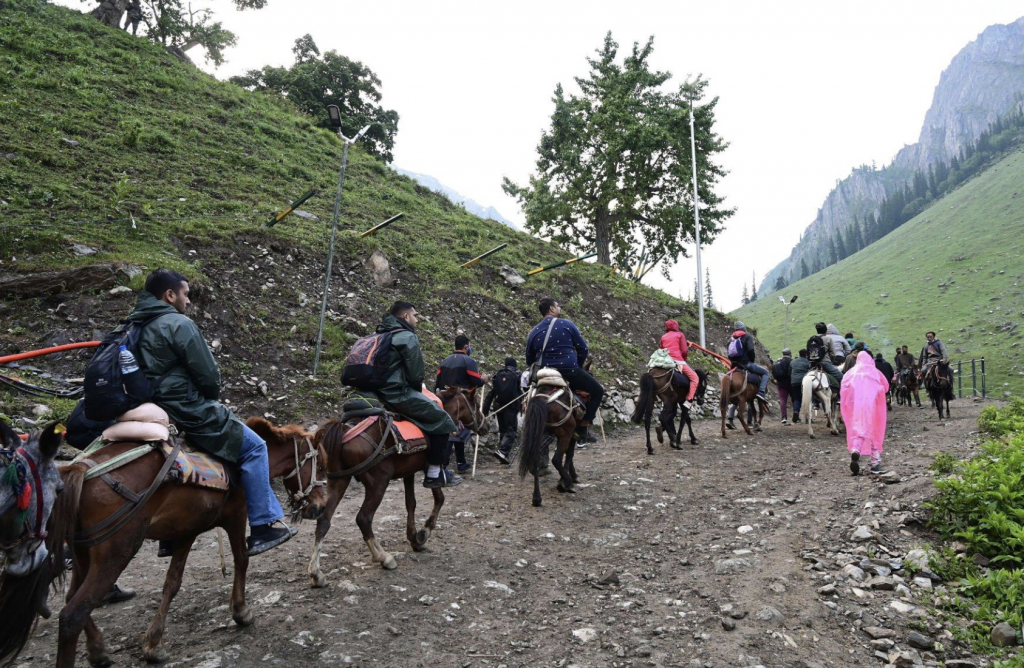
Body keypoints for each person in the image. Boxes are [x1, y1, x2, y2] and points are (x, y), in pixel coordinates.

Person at [130, 269, 295, 556]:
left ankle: (171, 534)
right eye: (186, 294)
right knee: (255, 447)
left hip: (150, 409)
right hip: (185, 408)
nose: (189, 301)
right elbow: (208, 376)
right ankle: (264, 525)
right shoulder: (177, 324)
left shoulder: (133, 325)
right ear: (170, 295)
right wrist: (207, 398)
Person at [374, 301, 460, 488]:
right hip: (395, 394)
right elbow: (415, 376)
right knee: (443, 420)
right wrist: (414, 386)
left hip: (372, 393)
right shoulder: (407, 336)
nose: (417, 320)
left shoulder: (378, 334)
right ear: (405, 316)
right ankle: (434, 474)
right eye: (416, 316)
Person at [525, 298, 605, 439]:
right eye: (558, 306)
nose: (559, 308)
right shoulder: (567, 324)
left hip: (543, 373)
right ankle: (582, 428)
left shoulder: (533, 331)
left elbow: (529, 360)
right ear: (551, 309)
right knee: (598, 391)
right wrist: (578, 366)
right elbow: (583, 349)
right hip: (569, 371)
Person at [435, 335, 486, 474]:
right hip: (461, 401)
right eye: (469, 346)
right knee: (453, 433)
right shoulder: (468, 360)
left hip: (444, 399)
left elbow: (437, 381)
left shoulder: (444, 361)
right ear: (466, 347)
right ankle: (443, 466)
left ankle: (461, 461)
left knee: (459, 433)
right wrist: (483, 380)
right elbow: (475, 381)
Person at [841, 351, 891, 475]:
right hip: (873, 407)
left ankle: (855, 450)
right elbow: (886, 387)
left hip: (856, 407)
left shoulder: (850, 373)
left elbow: (843, 387)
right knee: (875, 433)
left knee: (859, 429)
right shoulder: (875, 372)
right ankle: (875, 463)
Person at [483, 357, 522, 465]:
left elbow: (491, 393)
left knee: (503, 430)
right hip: (512, 406)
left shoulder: (498, 374)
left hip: (499, 406)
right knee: (511, 431)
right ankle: (502, 451)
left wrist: (485, 409)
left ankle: (503, 454)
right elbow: (523, 390)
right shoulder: (517, 374)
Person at [660, 319, 699, 410]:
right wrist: (683, 360)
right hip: (677, 360)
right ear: (676, 326)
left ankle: (663, 401)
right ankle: (689, 400)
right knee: (695, 378)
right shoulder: (680, 335)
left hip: (665, 361)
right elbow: (684, 351)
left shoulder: (663, 336)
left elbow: (661, 349)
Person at [728, 321, 769, 402]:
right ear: (744, 328)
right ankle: (761, 392)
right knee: (766, 373)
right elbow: (750, 349)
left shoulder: (732, 338)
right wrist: (751, 359)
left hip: (735, 366)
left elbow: (729, 353)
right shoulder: (746, 337)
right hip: (746, 364)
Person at [772, 349, 794, 425]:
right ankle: (796, 415)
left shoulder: (778, 362)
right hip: (791, 382)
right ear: (790, 354)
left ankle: (784, 417)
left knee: (782, 400)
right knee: (794, 398)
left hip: (780, 383)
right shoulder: (792, 361)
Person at [789, 349, 809, 423]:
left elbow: (789, 372)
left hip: (794, 382)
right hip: (805, 382)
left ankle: (796, 411)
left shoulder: (793, 361)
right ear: (806, 354)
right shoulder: (808, 362)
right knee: (807, 398)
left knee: (797, 398)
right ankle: (807, 416)